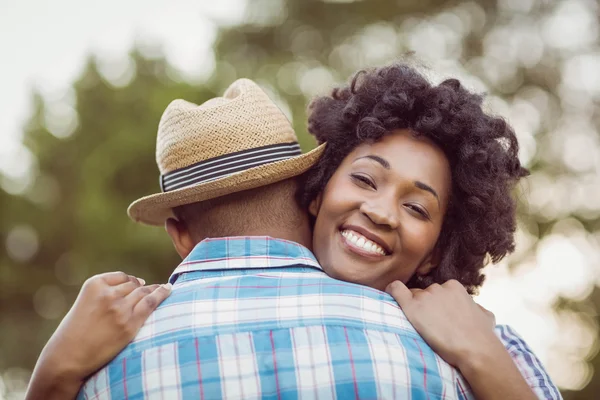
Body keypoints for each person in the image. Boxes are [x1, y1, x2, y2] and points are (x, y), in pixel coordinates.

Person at [26, 65, 560, 399]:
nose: (381, 212)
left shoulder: (482, 344)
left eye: (418, 208)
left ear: (437, 252)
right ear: (314, 192)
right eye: (365, 179)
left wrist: (482, 354)